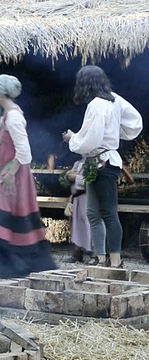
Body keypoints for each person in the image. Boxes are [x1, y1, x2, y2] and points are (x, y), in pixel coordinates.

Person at [63, 65, 142, 268]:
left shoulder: (99, 104)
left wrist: (74, 139)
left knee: (108, 212)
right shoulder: (113, 99)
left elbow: (92, 139)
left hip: (104, 163)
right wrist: (115, 132)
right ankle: (101, 259)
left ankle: (115, 262)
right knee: (92, 212)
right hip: (95, 164)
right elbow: (133, 122)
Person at [0, 74, 56, 278]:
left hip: (14, 176)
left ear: (0, 93)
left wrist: (10, 175)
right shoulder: (6, 115)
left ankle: (17, 267)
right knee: (2, 219)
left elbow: (25, 152)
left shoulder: (14, 117)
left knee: (10, 220)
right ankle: (0, 266)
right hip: (8, 174)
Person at [63, 159, 92, 263]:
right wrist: (68, 174)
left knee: (88, 224)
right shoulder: (78, 162)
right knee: (75, 225)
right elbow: (70, 174)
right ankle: (77, 253)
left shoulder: (93, 162)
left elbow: (90, 180)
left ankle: (94, 254)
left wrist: (76, 177)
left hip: (87, 197)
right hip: (76, 198)